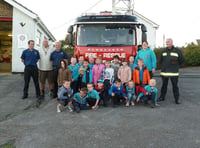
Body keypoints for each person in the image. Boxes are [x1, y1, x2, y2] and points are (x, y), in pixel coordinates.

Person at [158, 39, 184, 104]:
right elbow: (160, 61)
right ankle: (162, 97)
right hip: (164, 72)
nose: (167, 43)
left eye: (168, 42)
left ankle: (177, 99)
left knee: (175, 86)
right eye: (166, 42)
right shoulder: (163, 51)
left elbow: (181, 60)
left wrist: (176, 66)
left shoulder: (177, 51)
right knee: (164, 86)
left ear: (172, 42)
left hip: (174, 73)